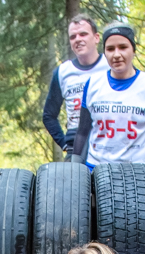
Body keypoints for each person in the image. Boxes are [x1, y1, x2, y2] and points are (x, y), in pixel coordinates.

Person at [71, 23, 145, 168]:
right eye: (110, 49)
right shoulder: (92, 84)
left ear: (133, 49)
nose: (116, 55)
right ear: (104, 53)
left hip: (139, 172)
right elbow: (82, 132)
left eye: (123, 47)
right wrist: (73, 169)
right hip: (96, 170)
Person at [42, 14, 110, 156]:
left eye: (83, 34)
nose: (78, 39)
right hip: (76, 145)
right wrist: (64, 143)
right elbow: (49, 115)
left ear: (96, 38)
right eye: (73, 37)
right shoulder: (62, 72)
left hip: (107, 142)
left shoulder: (111, 65)